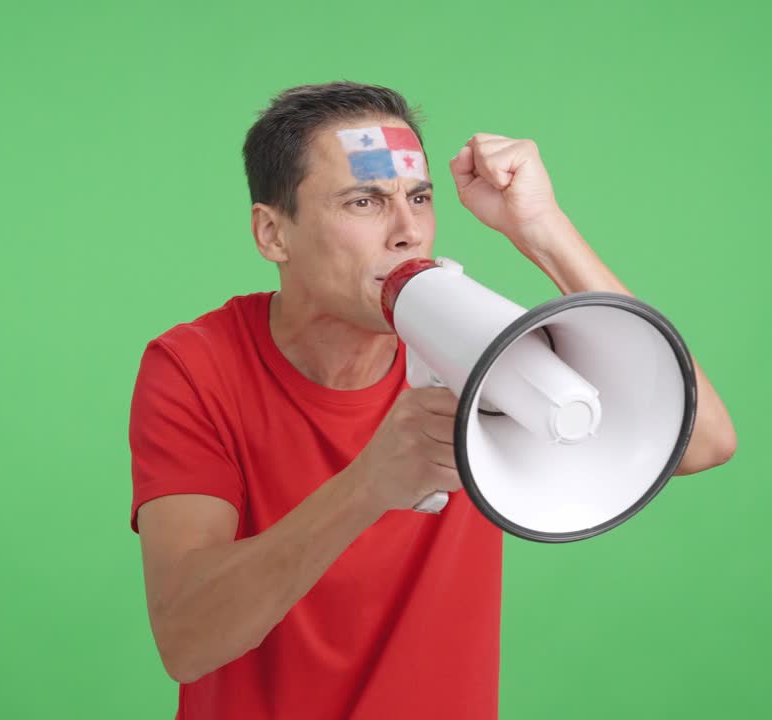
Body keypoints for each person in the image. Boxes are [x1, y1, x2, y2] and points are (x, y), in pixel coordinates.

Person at [127, 81, 737, 719]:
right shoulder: (195, 367)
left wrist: (542, 230)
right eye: (365, 201)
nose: (408, 231)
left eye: (419, 198)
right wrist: (370, 483)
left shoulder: (484, 345)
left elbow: (704, 439)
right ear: (273, 234)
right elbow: (186, 640)